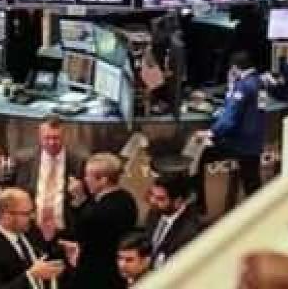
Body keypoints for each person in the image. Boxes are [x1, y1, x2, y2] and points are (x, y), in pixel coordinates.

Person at [195, 51, 265, 213]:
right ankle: (262, 215)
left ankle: (201, 206)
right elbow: (251, 109)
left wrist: (210, 133)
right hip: (255, 141)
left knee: (200, 155)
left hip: (239, 143)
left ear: (234, 68)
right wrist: (231, 89)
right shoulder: (259, 82)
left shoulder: (243, 86)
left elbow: (229, 120)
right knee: (252, 183)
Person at [67, 153, 139, 289]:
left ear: (103, 180)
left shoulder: (101, 212)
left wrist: (79, 200)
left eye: (88, 175)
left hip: (97, 277)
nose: (85, 179)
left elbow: (82, 231)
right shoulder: (127, 198)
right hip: (115, 273)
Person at [0, 188, 72, 289]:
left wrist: (65, 253)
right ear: (6, 215)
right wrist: (30, 276)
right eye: (26, 213)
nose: (32, 217)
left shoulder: (30, 230)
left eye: (32, 211)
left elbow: (45, 256)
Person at [12, 116, 85, 242]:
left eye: (56, 138)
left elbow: (85, 203)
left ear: (65, 136)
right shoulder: (23, 160)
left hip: (67, 234)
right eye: (47, 138)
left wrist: (80, 196)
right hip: (31, 232)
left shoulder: (79, 163)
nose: (52, 142)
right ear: (39, 136)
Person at [144, 174, 201, 268]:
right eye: (152, 195)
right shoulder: (155, 212)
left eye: (160, 198)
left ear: (178, 202)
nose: (152, 201)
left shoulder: (189, 231)